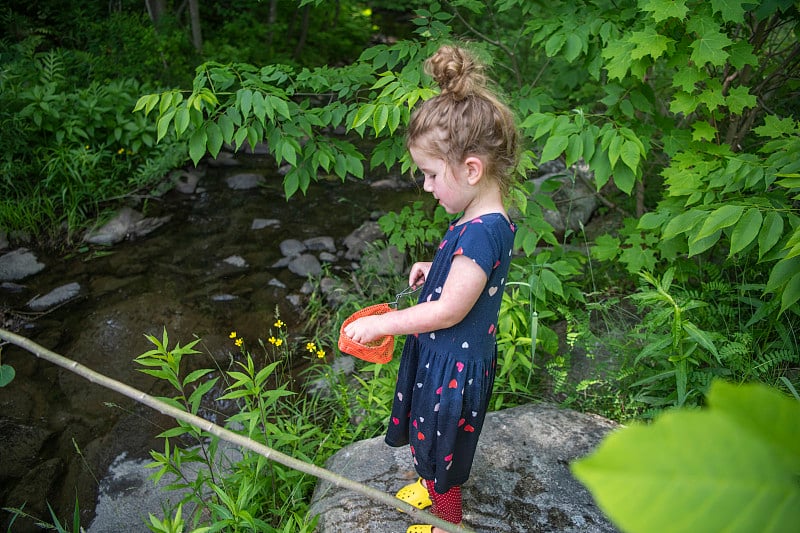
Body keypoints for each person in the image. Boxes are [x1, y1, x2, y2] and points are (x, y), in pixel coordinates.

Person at [343, 43, 520, 533]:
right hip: (443, 360)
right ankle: (429, 481)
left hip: (453, 368)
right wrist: (435, 265)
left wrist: (383, 323)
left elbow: (447, 311)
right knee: (428, 434)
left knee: (445, 446)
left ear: (470, 169)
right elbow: (466, 276)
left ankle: (447, 522)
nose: (425, 186)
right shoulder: (480, 218)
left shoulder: (481, 230)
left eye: (430, 174)